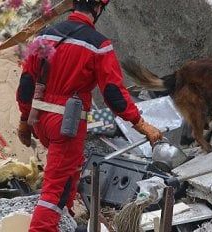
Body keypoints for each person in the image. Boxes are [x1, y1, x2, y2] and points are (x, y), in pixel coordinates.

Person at [16, 0, 163, 231]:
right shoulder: (99, 45)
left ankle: (67, 219)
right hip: (66, 125)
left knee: (72, 168)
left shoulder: (44, 35)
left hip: (41, 119)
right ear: (98, 8)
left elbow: (26, 83)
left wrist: (24, 120)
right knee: (54, 191)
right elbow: (114, 94)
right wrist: (141, 124)